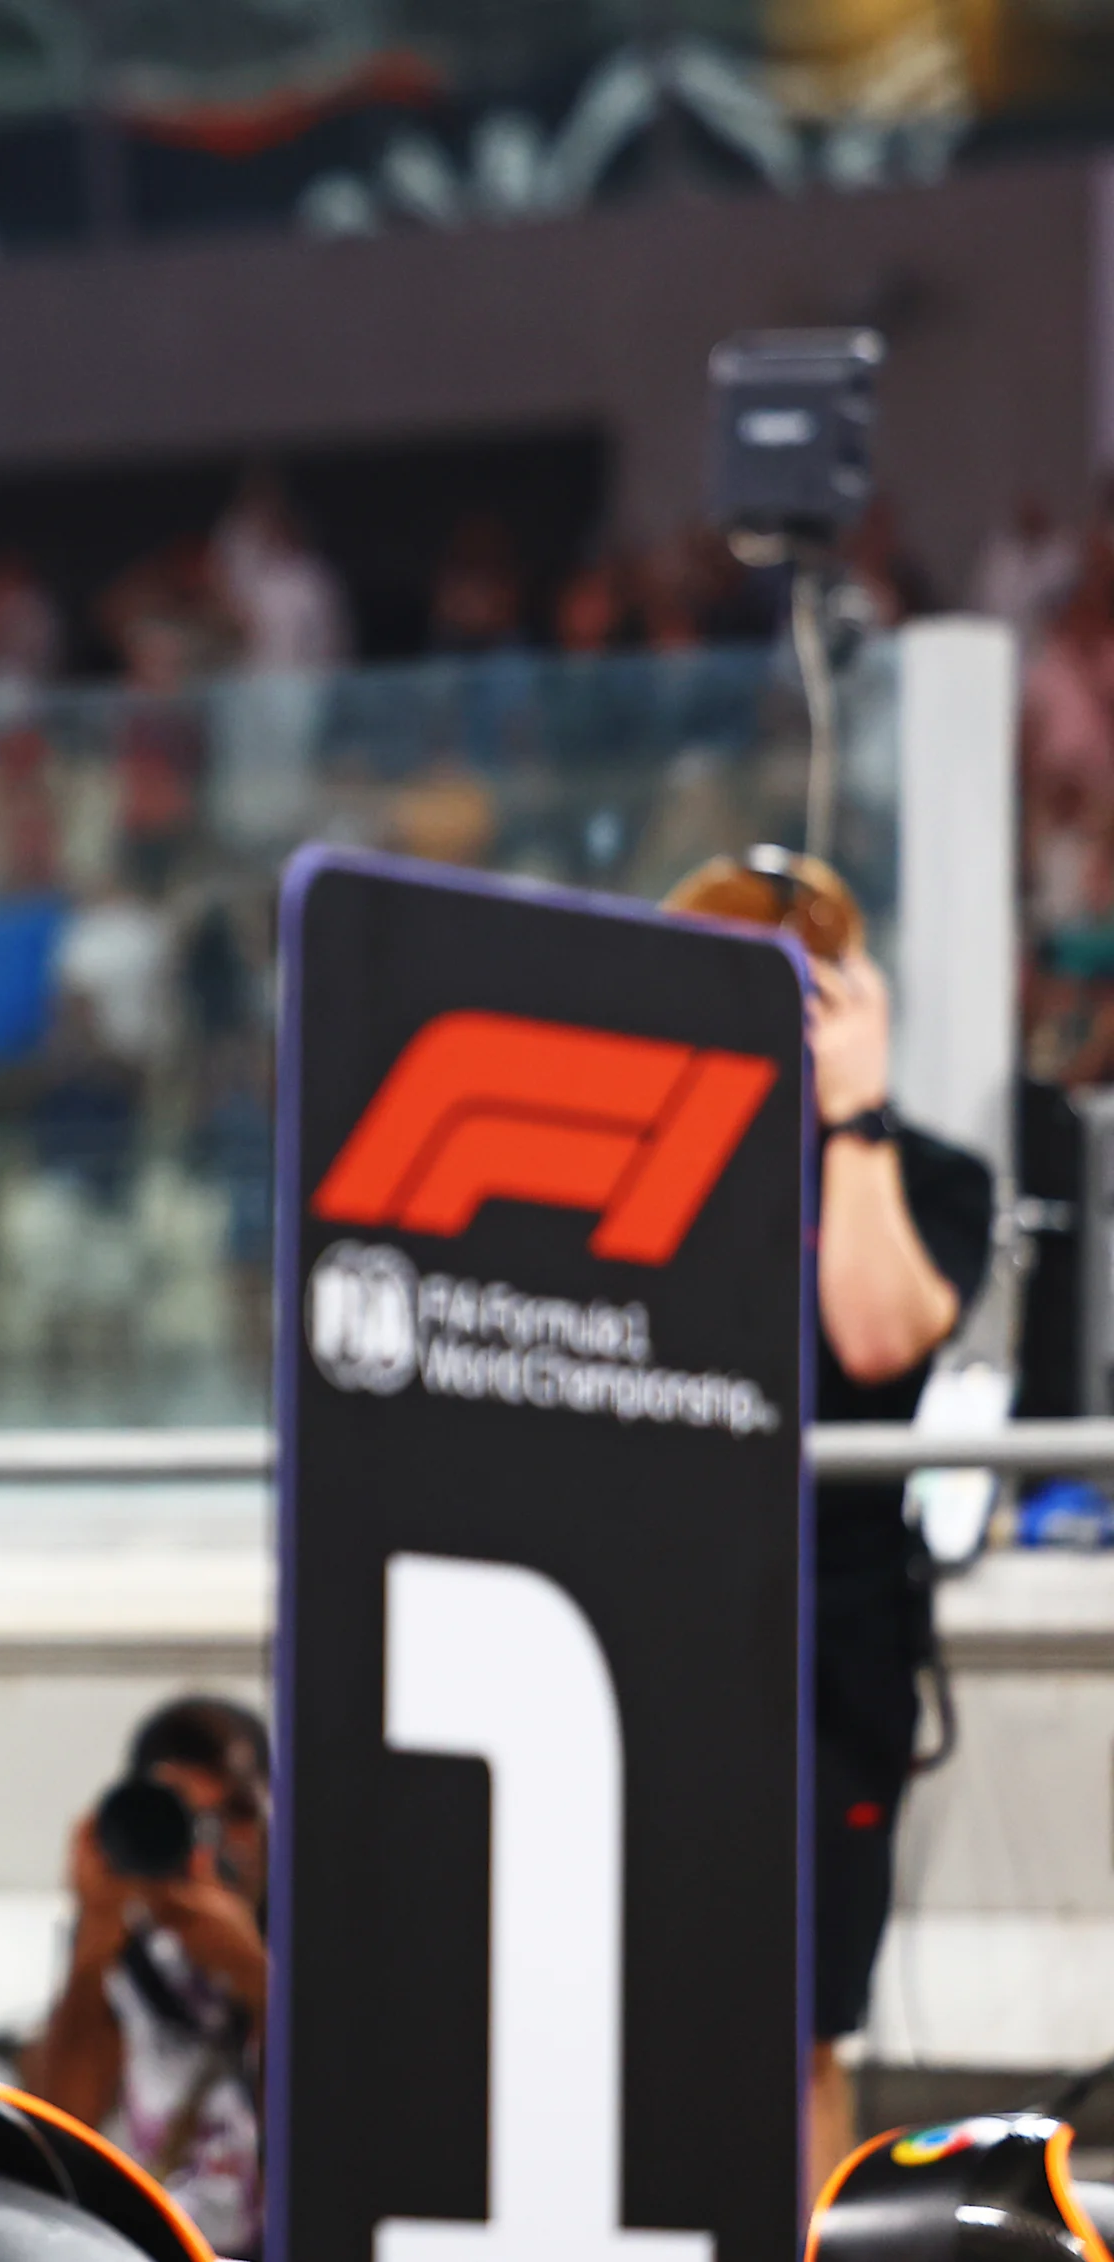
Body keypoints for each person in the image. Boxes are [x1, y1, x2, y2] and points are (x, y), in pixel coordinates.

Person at [662, 850, 993, 2190]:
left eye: (803, 976)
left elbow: (872, 1334)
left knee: (797, 2025)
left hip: (825, 1651)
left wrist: (852, 1115)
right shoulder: (644, 1164)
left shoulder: (929, 1177)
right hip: (654, 1619)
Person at [27, 1696, 270, 2257]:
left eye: (234, 1813)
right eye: (183, 1812)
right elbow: (61, 2132)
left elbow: (335, 2143)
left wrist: (258, 1979)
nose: (211, 1842)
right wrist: (94, 1935)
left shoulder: (310, 1948)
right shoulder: (121, 1955)